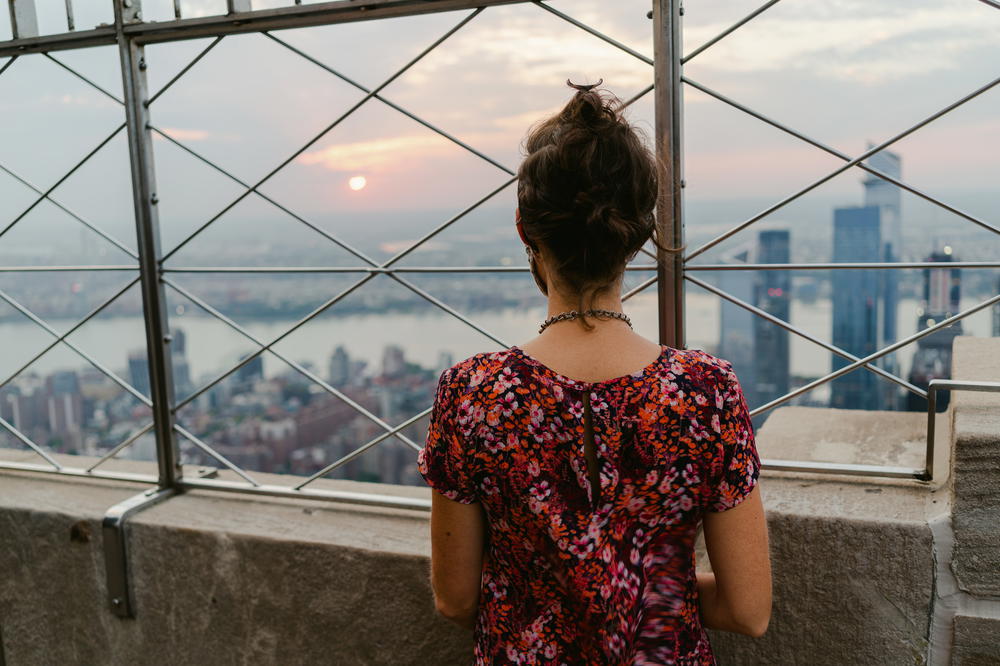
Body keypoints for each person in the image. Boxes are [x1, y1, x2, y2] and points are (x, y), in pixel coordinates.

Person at [418, 80, 771, 665]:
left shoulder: (472, 393)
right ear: (637, 233)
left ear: (525, 229)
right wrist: (649, 596)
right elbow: (747, 610)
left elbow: (456, 601)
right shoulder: (705, 391)